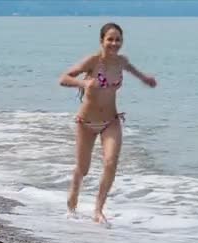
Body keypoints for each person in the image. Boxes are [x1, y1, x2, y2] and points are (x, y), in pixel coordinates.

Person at [58, 22, 157, 223]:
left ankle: (98, 210)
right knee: (83, 169)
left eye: (118, 39)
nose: (114, 43)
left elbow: (136, 72)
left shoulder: (122, 62)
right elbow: (64, 78)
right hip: (86, 122)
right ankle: (74, 193)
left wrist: (146, 79)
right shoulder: (93, 61)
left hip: (110, 121)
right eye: (110, 39)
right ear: (102, 41)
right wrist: (83, 82)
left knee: (111, 163)